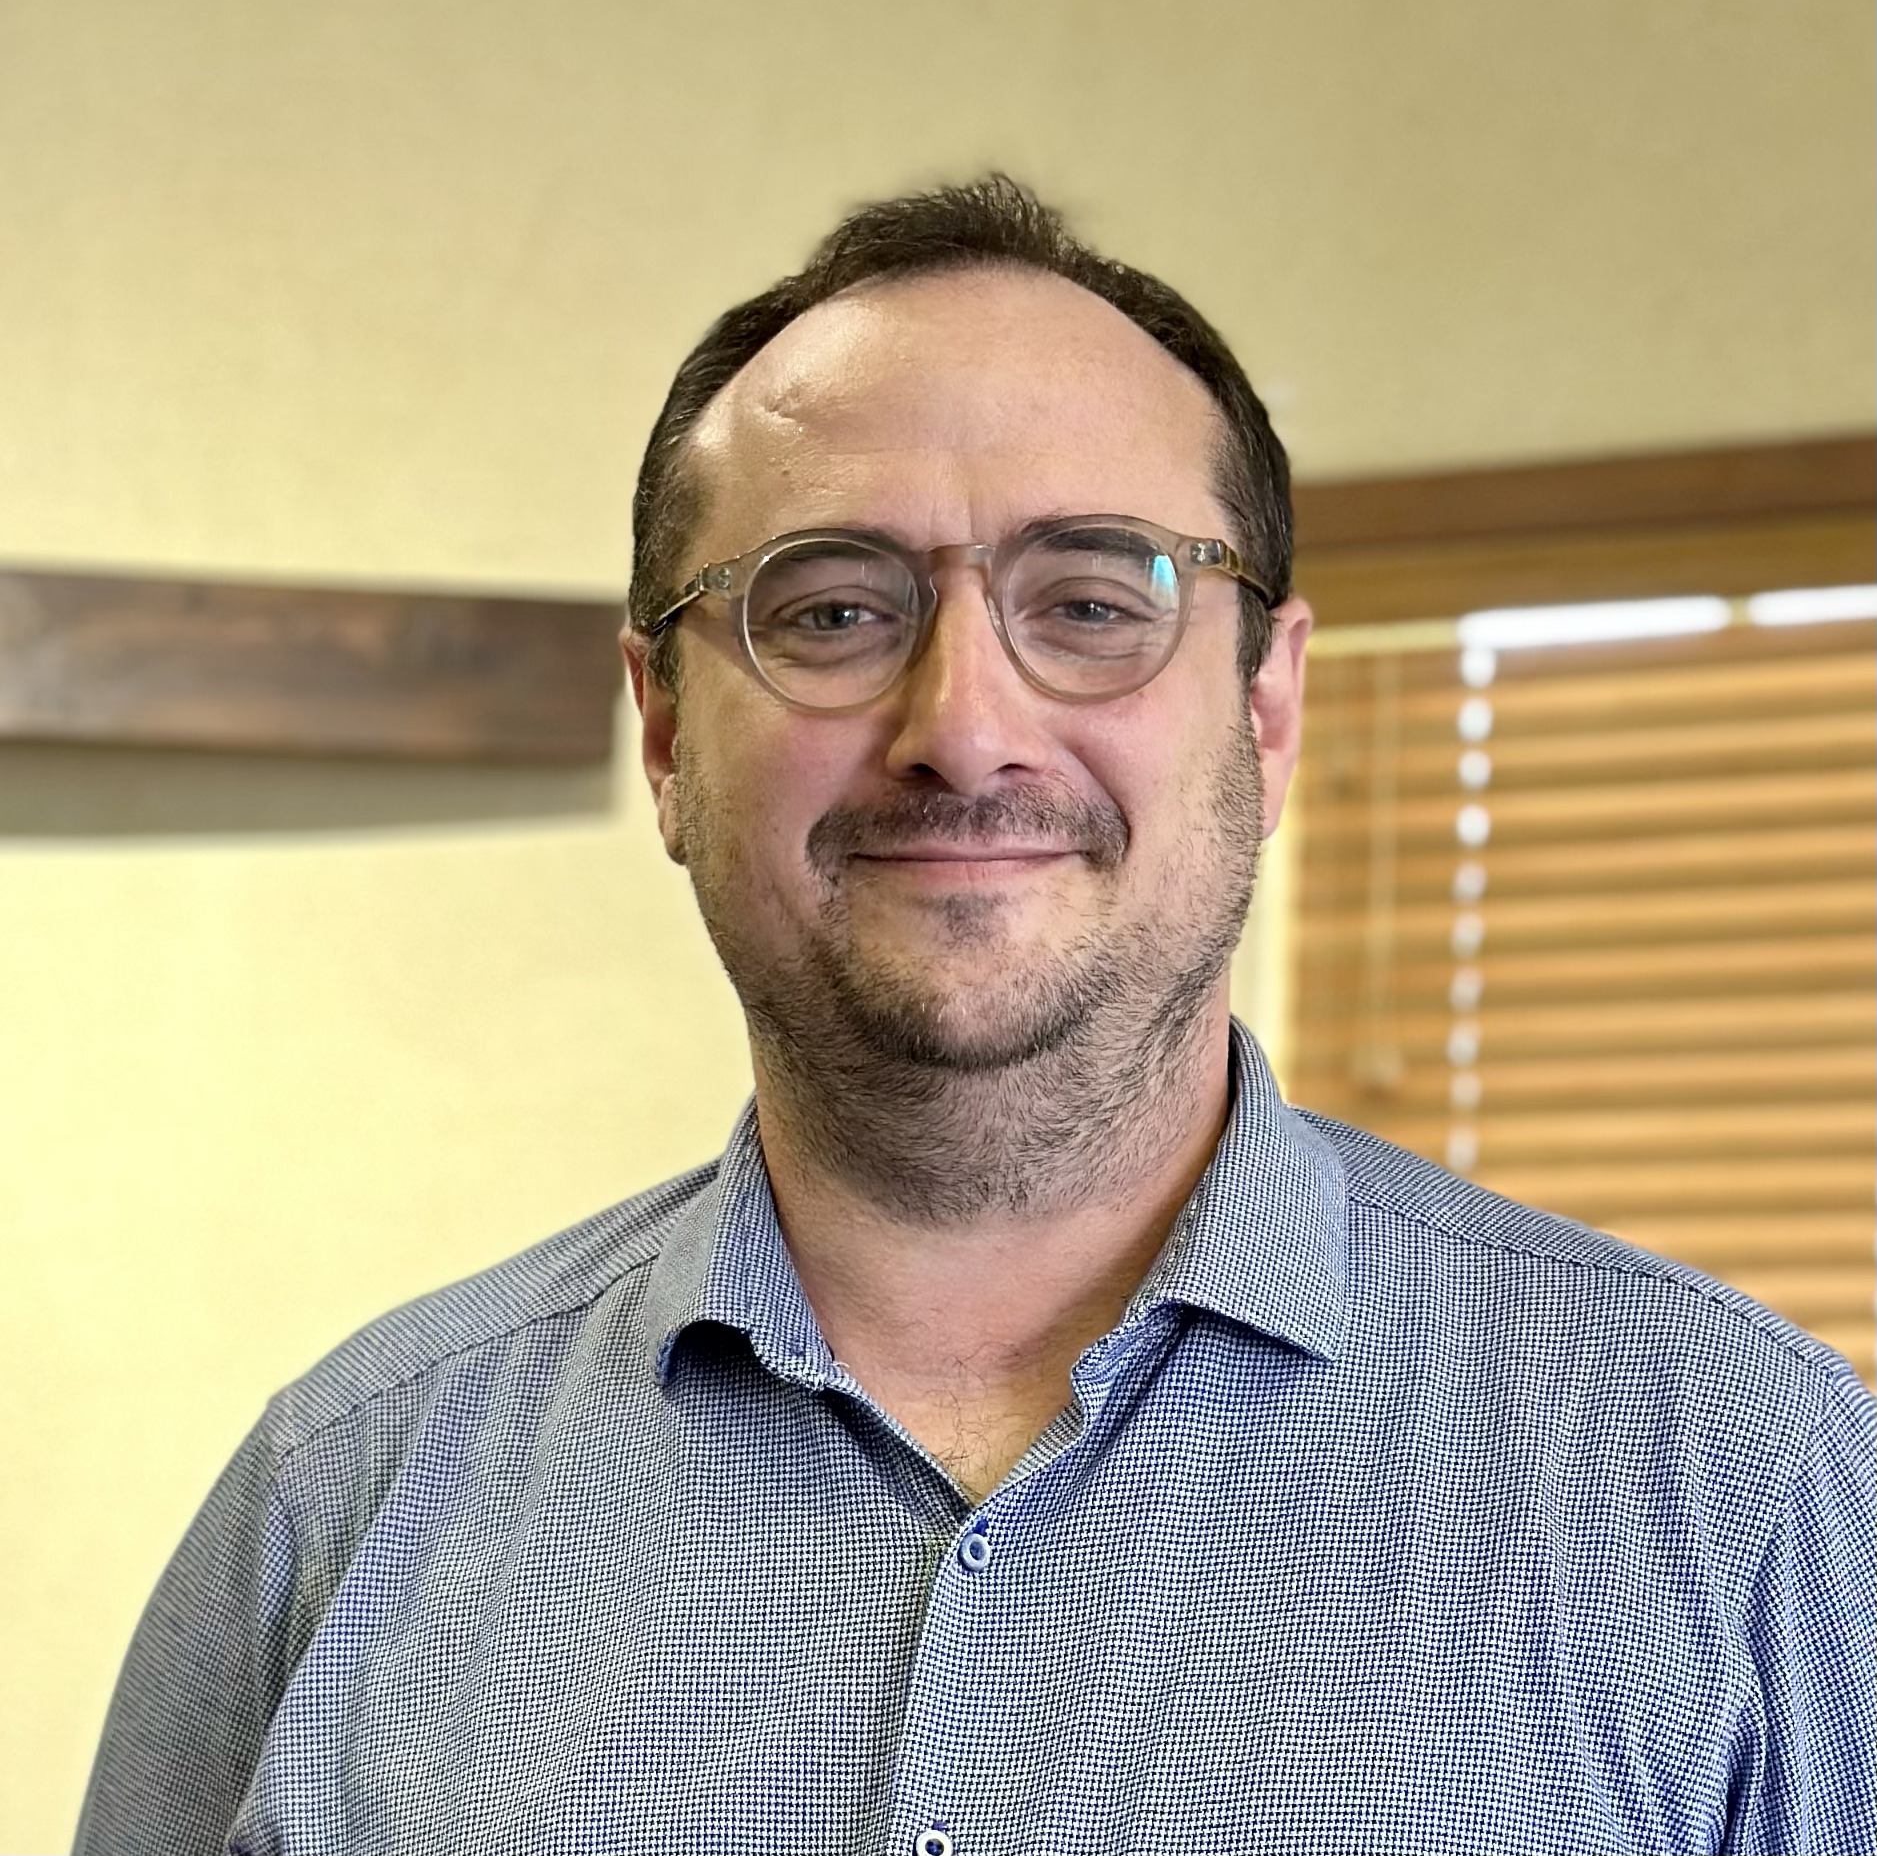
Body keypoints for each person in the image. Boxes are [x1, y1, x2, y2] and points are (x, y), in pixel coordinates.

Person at [77, 176, 1873, 1856]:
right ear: (665, 731)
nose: (961, 725)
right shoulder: (337, 1504)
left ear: (1264, 707)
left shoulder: (1745, 1487)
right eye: (831, 610)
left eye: (1089, 602)